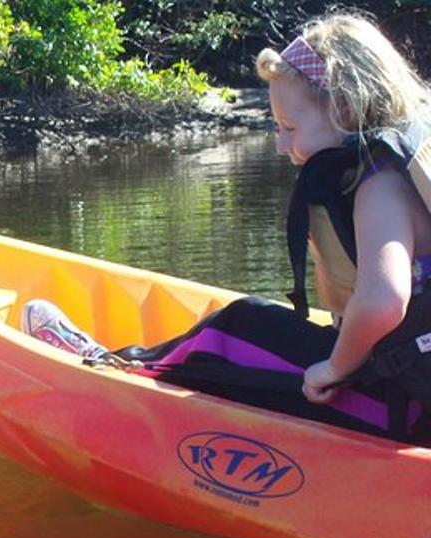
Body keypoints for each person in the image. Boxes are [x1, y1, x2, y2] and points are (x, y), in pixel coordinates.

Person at [24, 12, 431, 442]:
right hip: (409, 389)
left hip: (402, 405)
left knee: (233, 330)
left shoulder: (380, 184)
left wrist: (334, 368)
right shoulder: (410, 160)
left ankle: (110, 368)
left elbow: (384, 301)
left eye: (289, 127)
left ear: (346, 110)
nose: (279, 143)